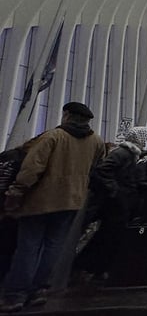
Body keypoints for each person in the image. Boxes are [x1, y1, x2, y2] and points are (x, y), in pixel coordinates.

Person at [1, 102, 106, 312]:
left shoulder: (53, 137)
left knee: (28, 247)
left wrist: (16, 191)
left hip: (41, 199)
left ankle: (16, 294)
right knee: (53, 246)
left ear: (66, 115)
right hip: (72, 200)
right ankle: (40, 289)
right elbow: (97, 166)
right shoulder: (96, 141)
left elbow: (32, 167)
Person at [77, 126, 147, 279]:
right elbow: (102, 171)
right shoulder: (124, 154)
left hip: (118, 202)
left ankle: (93, 267)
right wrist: (116, 191)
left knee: (107, 236)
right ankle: (91, 266)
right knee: (107, 236)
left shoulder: (128, 154)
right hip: (116, 203)